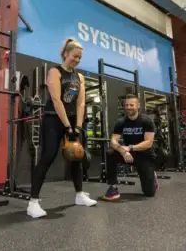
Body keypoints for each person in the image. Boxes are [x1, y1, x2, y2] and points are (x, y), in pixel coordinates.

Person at [27, 38, 97, 218]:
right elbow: (57, 100)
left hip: (73, 120)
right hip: (54, 119)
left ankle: (80, 195)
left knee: (77, 156)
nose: (77, 60)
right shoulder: (54, 72)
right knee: (48, 156)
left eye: (79, 58)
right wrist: (67, 125)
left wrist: (78, 127)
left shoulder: (79, 77)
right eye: (74, 56)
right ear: (66, 53)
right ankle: (33, 203)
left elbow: (81, 104)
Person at [102, 94, 159, 201]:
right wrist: (123, 151)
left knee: (149, 193)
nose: (128, 107)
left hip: (145, 157)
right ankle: (113, 187)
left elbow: (148, 143)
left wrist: (130, 148)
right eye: (126, 105)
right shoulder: (121, 122)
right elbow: (113, 141)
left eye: (131, 105)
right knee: (111, 153)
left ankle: (152, 177)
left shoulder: (146, 121)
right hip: (129, 155)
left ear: (138, 106)